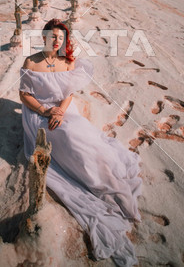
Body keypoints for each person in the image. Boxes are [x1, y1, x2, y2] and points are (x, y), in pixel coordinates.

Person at [19, 18, 142, 266]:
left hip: (64, 110)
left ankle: (105, 174)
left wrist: (60, 111)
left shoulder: (67, 61)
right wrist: (46, 111)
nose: (56, 41)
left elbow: (68, 94)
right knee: (68, 135)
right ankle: (93, 180)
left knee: (83, 134)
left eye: (60, 38)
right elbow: (24, 95)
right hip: (38, 114)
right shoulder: (31, 62)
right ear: (43, 36)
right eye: (52, 36)